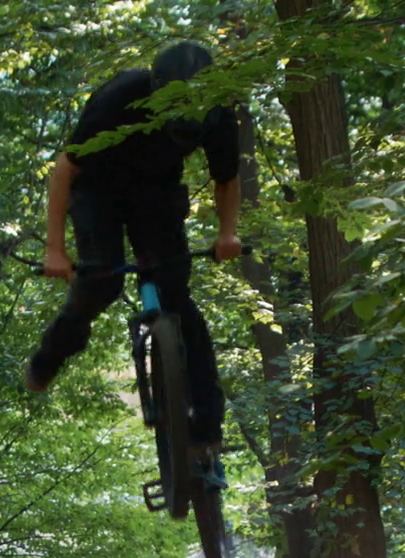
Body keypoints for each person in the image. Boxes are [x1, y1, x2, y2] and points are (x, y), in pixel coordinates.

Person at [24, 41, 242, 449]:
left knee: (176, 294)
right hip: (97, 189)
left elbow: (226, 179)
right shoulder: (121, 95)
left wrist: (227, 233)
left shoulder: (217, 111)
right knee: (102, 281)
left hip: (156, 193)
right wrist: (55, 249)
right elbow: (66, 169)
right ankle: (52, 352)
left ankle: (207, 426)